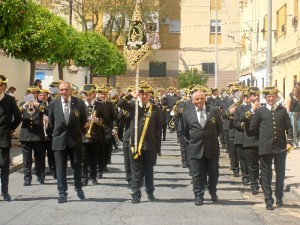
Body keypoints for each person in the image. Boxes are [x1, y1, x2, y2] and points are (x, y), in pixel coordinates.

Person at [118, 82, 162, 204]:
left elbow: (158, 128)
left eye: (146, 94)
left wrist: (157, 147)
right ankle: (136, 194)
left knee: (149, 170)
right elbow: (120, 103)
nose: (143, 96)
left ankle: (150, 192)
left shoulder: (155, 109)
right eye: (141, 94)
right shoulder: (133, 106)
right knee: (136, 171)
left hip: (149, 145)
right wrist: (130, 95)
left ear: (150, 95)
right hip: (135, 145)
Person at [249, 86, 293, 210]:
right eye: (269, 96)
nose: (271, 99)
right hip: (265, 147)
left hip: (280, 147)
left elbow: (289, 128)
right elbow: (252, 129)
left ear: (276, 97)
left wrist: (289, 141)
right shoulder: (260, 111)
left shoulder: (282, 111)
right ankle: (268, 199)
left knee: (280, 173)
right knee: (266, 173)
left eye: (273, 96)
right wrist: (262, 139)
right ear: (265, 97)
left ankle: (279, 196)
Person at [48, 82, 87, 203]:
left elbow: (83, 121)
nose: (63, 92)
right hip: (59, 140)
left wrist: (75, 132)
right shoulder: (53, 104)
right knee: (60, 168)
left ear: (70, 90)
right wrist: (58, 134)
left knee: (76, 166)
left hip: (75, 140)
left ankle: (78, 187)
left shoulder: (78, 103)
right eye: (61, 90)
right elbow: (51, 123)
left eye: (66, 90)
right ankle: (62, 192)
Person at [182, 91, 222, 206]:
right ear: (192, 100)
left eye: (201, 98)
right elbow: (185, 132)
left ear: (205, 99)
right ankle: (198, 196)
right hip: (195, 148)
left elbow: (218, 128)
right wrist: (194, 141)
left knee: (213, 173)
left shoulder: (214, 110)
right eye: (196, 99)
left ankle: (213, 192)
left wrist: (209, 137)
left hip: (212, 147)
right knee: (197, 174)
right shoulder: (187, 113)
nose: (199, 101)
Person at [19, 86, 47, 186]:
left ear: (36, 94)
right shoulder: (23, 104)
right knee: (26, 158)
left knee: (39, 157)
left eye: (33, 93)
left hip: (38, 135)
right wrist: (24, 106)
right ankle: (27, 178)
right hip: (25, 135)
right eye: (29, 93)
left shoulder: (41, 104)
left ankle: (40, 176)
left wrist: (38, 105)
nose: (31, 94)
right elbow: (17, 113)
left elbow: (46, 111)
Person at [0, 75, 22, 201]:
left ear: (2, 87)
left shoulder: (9, 100)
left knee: (4, 164)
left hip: (3, 136)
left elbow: (18, 117)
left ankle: (5, 191)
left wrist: (10, 129)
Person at [80, 84, 106, 186]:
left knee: (94, 157)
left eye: (90, 94)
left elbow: (105, 120)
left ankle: (93, 176)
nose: (88, 96)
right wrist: (82, 124)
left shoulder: (99, 105)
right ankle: (84, 177)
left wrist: (97, 120)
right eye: (86, 94)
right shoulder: (80, 104)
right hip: (83, 136)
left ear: (94, 94)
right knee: (84, 158)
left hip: (95, 135)